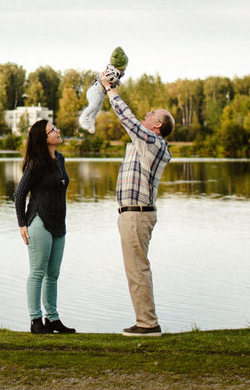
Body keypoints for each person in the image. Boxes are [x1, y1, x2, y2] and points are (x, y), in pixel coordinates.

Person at [99, 68, 173, 336]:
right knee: (136, 269)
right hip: (132, 214)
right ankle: (145, 320)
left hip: (137, 215)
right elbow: (132, 124)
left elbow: (127, 119)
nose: (148, 114)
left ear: (157, 126)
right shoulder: (146, 142)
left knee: (137, 270)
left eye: (152, 114)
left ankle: (148, 324)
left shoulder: (153, 142)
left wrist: (110, 90)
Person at [13, 118, 76, 334]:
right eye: (53, 130)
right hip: (39, 222)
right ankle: (35, 320)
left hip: (59, 224)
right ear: (44, 138)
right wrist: (22, 224)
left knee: (53, 274)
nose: (58, 131)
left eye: (56, 128)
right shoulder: (36, 163)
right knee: (38, 272)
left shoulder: (60, 160)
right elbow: (19, 194)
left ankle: (53, 319)